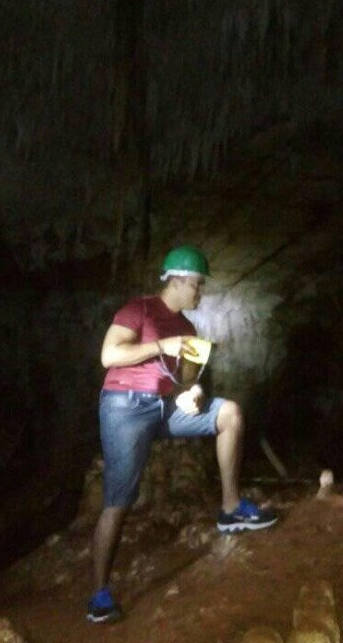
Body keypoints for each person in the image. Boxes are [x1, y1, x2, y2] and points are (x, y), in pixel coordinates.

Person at [87, 245, 277, 623]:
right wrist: (161, 345)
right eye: (197, 284)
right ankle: (99, 595)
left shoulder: (189, 329)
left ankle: (230, 509)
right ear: (175, 280)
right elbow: (109, 356)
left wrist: (194, 392)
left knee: (230, 414)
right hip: (125, 406)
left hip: (164, 408)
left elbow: (185, 382)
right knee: (118, 502)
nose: (200, 292)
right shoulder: (137, 310)